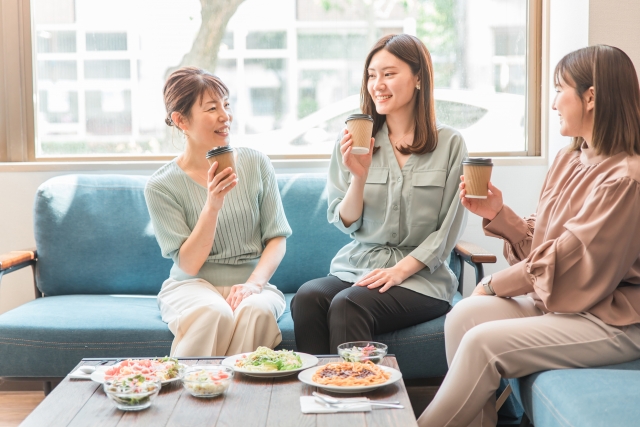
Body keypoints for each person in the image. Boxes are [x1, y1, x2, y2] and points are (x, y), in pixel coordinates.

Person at [418, 45, 640, 427]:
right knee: (462, 317)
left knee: (481, 342)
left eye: (559, 90)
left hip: (610, 319)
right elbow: (545, 243)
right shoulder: (570, 159)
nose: (553, 104)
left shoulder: (625, 180)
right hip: (561, 304)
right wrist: (498, 215)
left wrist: (493, 285)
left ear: (591, 97)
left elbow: (566, 260)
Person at [291, 34, 468, 354]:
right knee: (308, 297)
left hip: (421, 278)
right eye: (372, 75)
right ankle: (319, 396)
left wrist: (400, 271)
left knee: (349, 305)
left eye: (389, 74)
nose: (378, 84)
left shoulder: (450, 143)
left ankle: (355, 398)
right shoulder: (354, 140)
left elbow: (447, 230)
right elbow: (346, 222)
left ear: (418, 78)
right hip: (359, 266)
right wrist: (358, 177)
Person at [144, 67, 292, 357]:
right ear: (180, 120)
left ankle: (234, 397)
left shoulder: (256, 163)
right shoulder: (161, 185)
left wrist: (253, 285)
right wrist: (212, 205)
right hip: (191, 285)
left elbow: (277, 238)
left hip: (252, 283)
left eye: (226, 105)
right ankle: (186, 393)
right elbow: (188, 264)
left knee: (256, 312)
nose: (225, 116)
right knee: (215, 313)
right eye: (212, 108)